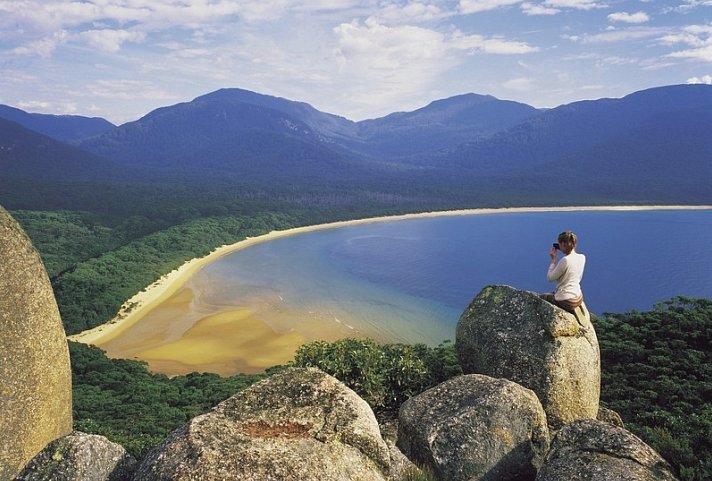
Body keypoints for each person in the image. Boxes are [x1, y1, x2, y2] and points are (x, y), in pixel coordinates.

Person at [542, 231, 587, 320]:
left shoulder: (565, 260)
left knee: (543, 297)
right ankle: (577, 306)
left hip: (566, 300)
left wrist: (553, 260)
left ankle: (569, 307)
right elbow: (579, 277)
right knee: (556, 292)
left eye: (559, 243)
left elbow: (550, 278)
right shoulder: (582, 257)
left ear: (563, 244)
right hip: (578, 297)